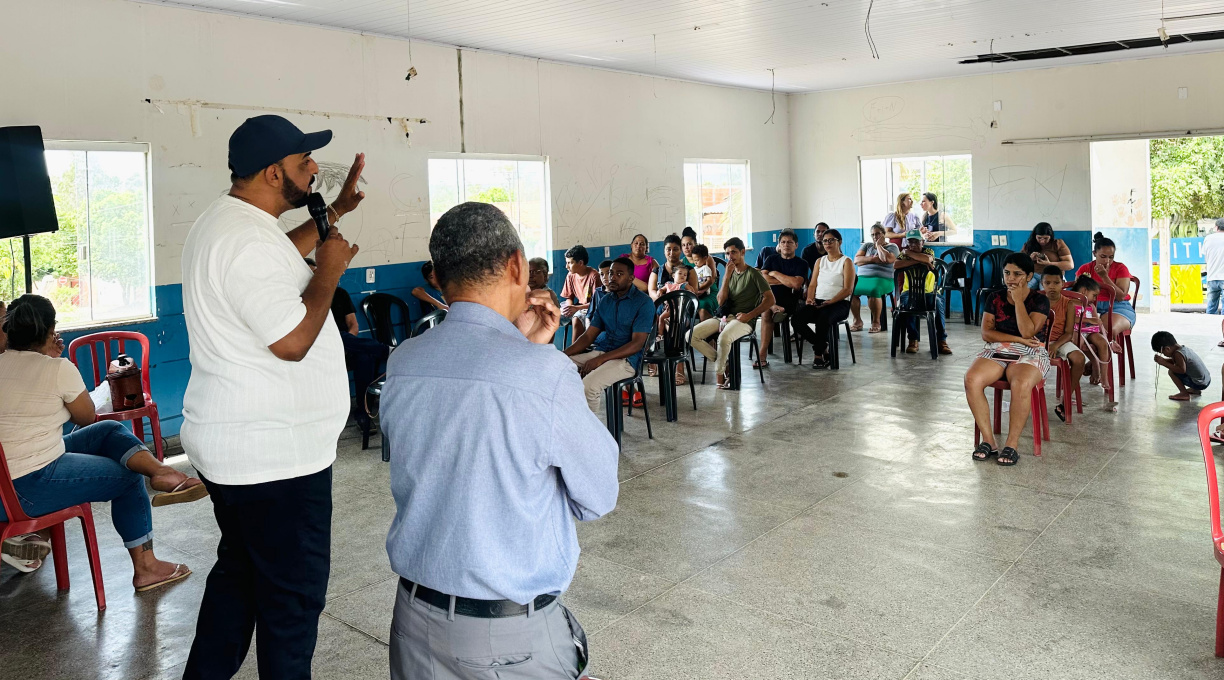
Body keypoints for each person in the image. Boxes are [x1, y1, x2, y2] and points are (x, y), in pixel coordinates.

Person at [380, 202, 619, 680]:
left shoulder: (404, 361)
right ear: (516, 266)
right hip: (505, 640)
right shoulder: (543, 374)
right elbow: (598, 496)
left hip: (413, 620)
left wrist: (525, 353)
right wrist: (535, 357)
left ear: (440, 277)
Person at [180, 115, 365, 679]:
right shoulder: (240, 239)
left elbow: (276, 255)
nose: (314, 169)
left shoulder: (234, 224)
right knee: (291, 605)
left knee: (239, 580)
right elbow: (291, 342)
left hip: (244, 453)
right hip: (275, 462)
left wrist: (336, 212)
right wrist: (329, 274)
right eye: (303, 162)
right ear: (271, 171)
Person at [0, 295, 207, 583]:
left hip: (8, 478)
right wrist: (55, 362)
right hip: (25, 486)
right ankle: (146, 568)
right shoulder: (57, 368)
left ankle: (162, 472)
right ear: (50, 331)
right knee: (127, 476)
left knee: (107, 431)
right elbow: (85, 415)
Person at [964, 253, 1050, 466]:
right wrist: (1016, 339)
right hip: (999, 349)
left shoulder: (1040, 300)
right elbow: (987, 333)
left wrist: (1019, 301)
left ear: (1029, 276)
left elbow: (1029, 331)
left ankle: (1011, 445)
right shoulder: (995, 298)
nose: (1010, 278)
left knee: (1020, 383)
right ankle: (989, 441)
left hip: (1031, 351)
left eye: (1017, 274)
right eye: (1007, 273)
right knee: (972, 379)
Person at [304, 257, 389, 434]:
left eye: (315, 272)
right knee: (335, 336)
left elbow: (354, 326)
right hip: (318, 348)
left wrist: (342, 344)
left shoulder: (340, 293)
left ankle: (363, 413)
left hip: (346, 344)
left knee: (363, 356)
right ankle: (386, 351)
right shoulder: (301, 298)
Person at [566, 257, 656, 411]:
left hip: (626, 360)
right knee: (561, 367)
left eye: (619, 274)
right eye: (611, 273)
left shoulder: (643, 303)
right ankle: (571, 422)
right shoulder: (606, 300)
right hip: (602, 351)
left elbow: (636, 344)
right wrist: (562, 355)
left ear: (631, 278)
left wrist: (600, 360)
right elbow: (588, 336)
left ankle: (590, 434)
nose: (612, 278)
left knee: (588, 388)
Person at [690, 238, 774, 389]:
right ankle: (726, 365)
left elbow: (770, 300)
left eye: (734, 252)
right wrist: (726, 277)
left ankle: (720, 375)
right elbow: (721, 301)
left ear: (742, 252)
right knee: (690, 335)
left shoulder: (754, 274)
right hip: (724, 316)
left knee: (724, 338)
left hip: (745, 320)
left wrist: (750, 315)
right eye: (727, 253)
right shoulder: (729, 273)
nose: (730, 257)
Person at [793, 229, 854, 369]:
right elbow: (813, 284)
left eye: (831, 240)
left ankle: (818, 355)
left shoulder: (846, 262)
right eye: (825, 241)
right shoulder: (820, 261)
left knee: (823, 319)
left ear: (839, 242)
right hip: (819, 301)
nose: (827, 243)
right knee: (796, 319)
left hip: (838, 304)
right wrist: (809, 299)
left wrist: (831, 301)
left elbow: (847, 290)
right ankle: (822, 345)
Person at [758, 228, 810, 368]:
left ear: (796, 245)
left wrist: (774, 273)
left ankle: (761, 355)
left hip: (790, 300)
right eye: (783, 242)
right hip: (769, 296)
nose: (786, 245)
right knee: (766, 307)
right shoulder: (771, 258)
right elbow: (763, 279)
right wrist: (787, 281)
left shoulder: (801, 263)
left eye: (790, 242)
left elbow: (797, 284)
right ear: (779, 245)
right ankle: (773, 307)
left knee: (766, 310)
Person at [1041, 266, 1087, 422]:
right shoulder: (1036, 302)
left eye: (1056, 282)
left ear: (1063, 284)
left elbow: (1068, 333)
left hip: (1060, 341)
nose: (1052, 286)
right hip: (1039, 341)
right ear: (1042, 284)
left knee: (1079, 358)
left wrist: (1054, 345)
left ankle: (1065, 401)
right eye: (1047, 283)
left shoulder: (1068, 304)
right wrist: (1043, 344)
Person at [895, 230, 952, 355]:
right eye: (910, 242)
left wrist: (909, 254)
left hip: (929, 292)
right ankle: (913, 339)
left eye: (916, 241)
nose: (913, 245)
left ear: (922, 242)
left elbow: (927, 258)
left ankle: (941, 340)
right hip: (908, 292)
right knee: (907, 303)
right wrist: (917, 260)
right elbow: (896, 265)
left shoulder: (928, 251)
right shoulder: (904, 254)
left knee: (938, 302)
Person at [1074, 232, 1135, 344]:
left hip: (1118, 307)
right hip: (1090, 307)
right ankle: (1094, 360)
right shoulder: (1085, 268)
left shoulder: (1121, 268)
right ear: (1094, 253)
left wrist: (1104, 277)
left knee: (1106, 330)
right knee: (1076, 330)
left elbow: (1121, 296)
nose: (1107, 261)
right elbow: (1077, 293)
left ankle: (1101, 361)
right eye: (1103, 256)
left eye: (1111, 257)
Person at [849, 222, 899, 333]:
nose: (875, 237)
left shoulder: (892, 247)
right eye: (873, 235)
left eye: (878, 234)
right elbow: (857, 260)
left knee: (874, 290)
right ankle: (857, 321)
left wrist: (879, 246)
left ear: (883, 234)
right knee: (851, 289)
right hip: (862, 277)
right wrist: (874, 259)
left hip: (883, 278)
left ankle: (876, 322)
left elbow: (888, 259)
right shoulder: (867, 246)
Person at [1151, 331, 1211, 401]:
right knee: (1180, 369)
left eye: (1163, 353)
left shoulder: (1178, 354)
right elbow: (1177, 362)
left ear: (1167, 348)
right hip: (1205, 380)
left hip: (1200, 383)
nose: (1164, 355)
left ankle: (1184, 393)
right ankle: (1195, 390)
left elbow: (1181, 370)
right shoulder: (1182, 349)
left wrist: (1164, 363)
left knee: (1172, 372)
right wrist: (1164, 360)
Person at [561, 245, 601, 338]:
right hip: (577, 306)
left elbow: (596, 303)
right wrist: (569, 307)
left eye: (570, 263)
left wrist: (576, 308)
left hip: (591, 309)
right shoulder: (570, 275)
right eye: (566, 263)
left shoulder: (594, 276)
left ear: (580, 263)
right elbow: (569, 297)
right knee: (553, 317)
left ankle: (574, 351)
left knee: (577, 318)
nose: (567, 266)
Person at [1022, 223, 1074, 290]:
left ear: (1050, 236)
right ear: (1035, 236)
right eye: (1039, 238)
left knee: (1048, 293)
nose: (1042, 241)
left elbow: (1070, 265)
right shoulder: (1028, 245)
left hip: (1052, 275)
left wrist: (1049, 264)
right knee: (1022, 289)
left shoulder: (1057, 244)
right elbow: (1019, 264)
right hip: (1033, 275)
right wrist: (1029, 259)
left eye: (1046, 238)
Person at [648, 234, 687, 300]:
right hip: (662, 307)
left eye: (675, 249)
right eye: (668, 249)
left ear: (681, 250)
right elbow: (652, 292)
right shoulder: (656, 272)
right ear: (664, 251)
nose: (672, 253)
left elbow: (693, 293)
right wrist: (663, 300)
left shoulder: (690, 270)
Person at [690, 244, 720, 320]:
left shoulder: (705, 268)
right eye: (694, 260)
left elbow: (709, 281)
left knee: (702, 303)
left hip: (704, 292)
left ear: (705, 258)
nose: (695, 262)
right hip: (696, 290)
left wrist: (699, 288)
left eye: (697, 260)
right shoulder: (694, 268)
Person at [1204, 218, 1224, 318]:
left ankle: (1208, 327)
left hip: (1211, 276)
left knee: (1211, 307)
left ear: (1216, 227)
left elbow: (1205, 257)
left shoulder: (1208, 238)